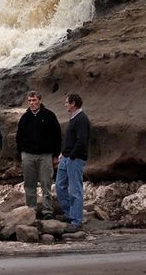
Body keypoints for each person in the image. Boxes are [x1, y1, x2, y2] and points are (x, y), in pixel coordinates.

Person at [16, 91, 62, 220]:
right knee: (29, 185)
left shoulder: (49, 116)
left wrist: (55, 155)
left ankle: (47, 211)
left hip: (45, 155)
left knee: (46, 184)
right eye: (30, 101)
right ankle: (31, 211)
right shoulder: (25, 118)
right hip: (28, 155)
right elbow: (19, 137)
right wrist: (21, 153)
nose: (32, 103)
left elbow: (57, 136)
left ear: (39, 101)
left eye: (34, 100)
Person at [56, 93, 90, 231]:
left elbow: (82, 141)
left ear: (73, 103)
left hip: (75, 159)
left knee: (75, 189)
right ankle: (69, 213)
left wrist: (72, 156)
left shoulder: (81, 119)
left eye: (67, 103)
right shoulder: (74, 118)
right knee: (59, 185)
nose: (65, 105)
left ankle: (76, 220)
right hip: (66, 157)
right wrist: (63, 154)